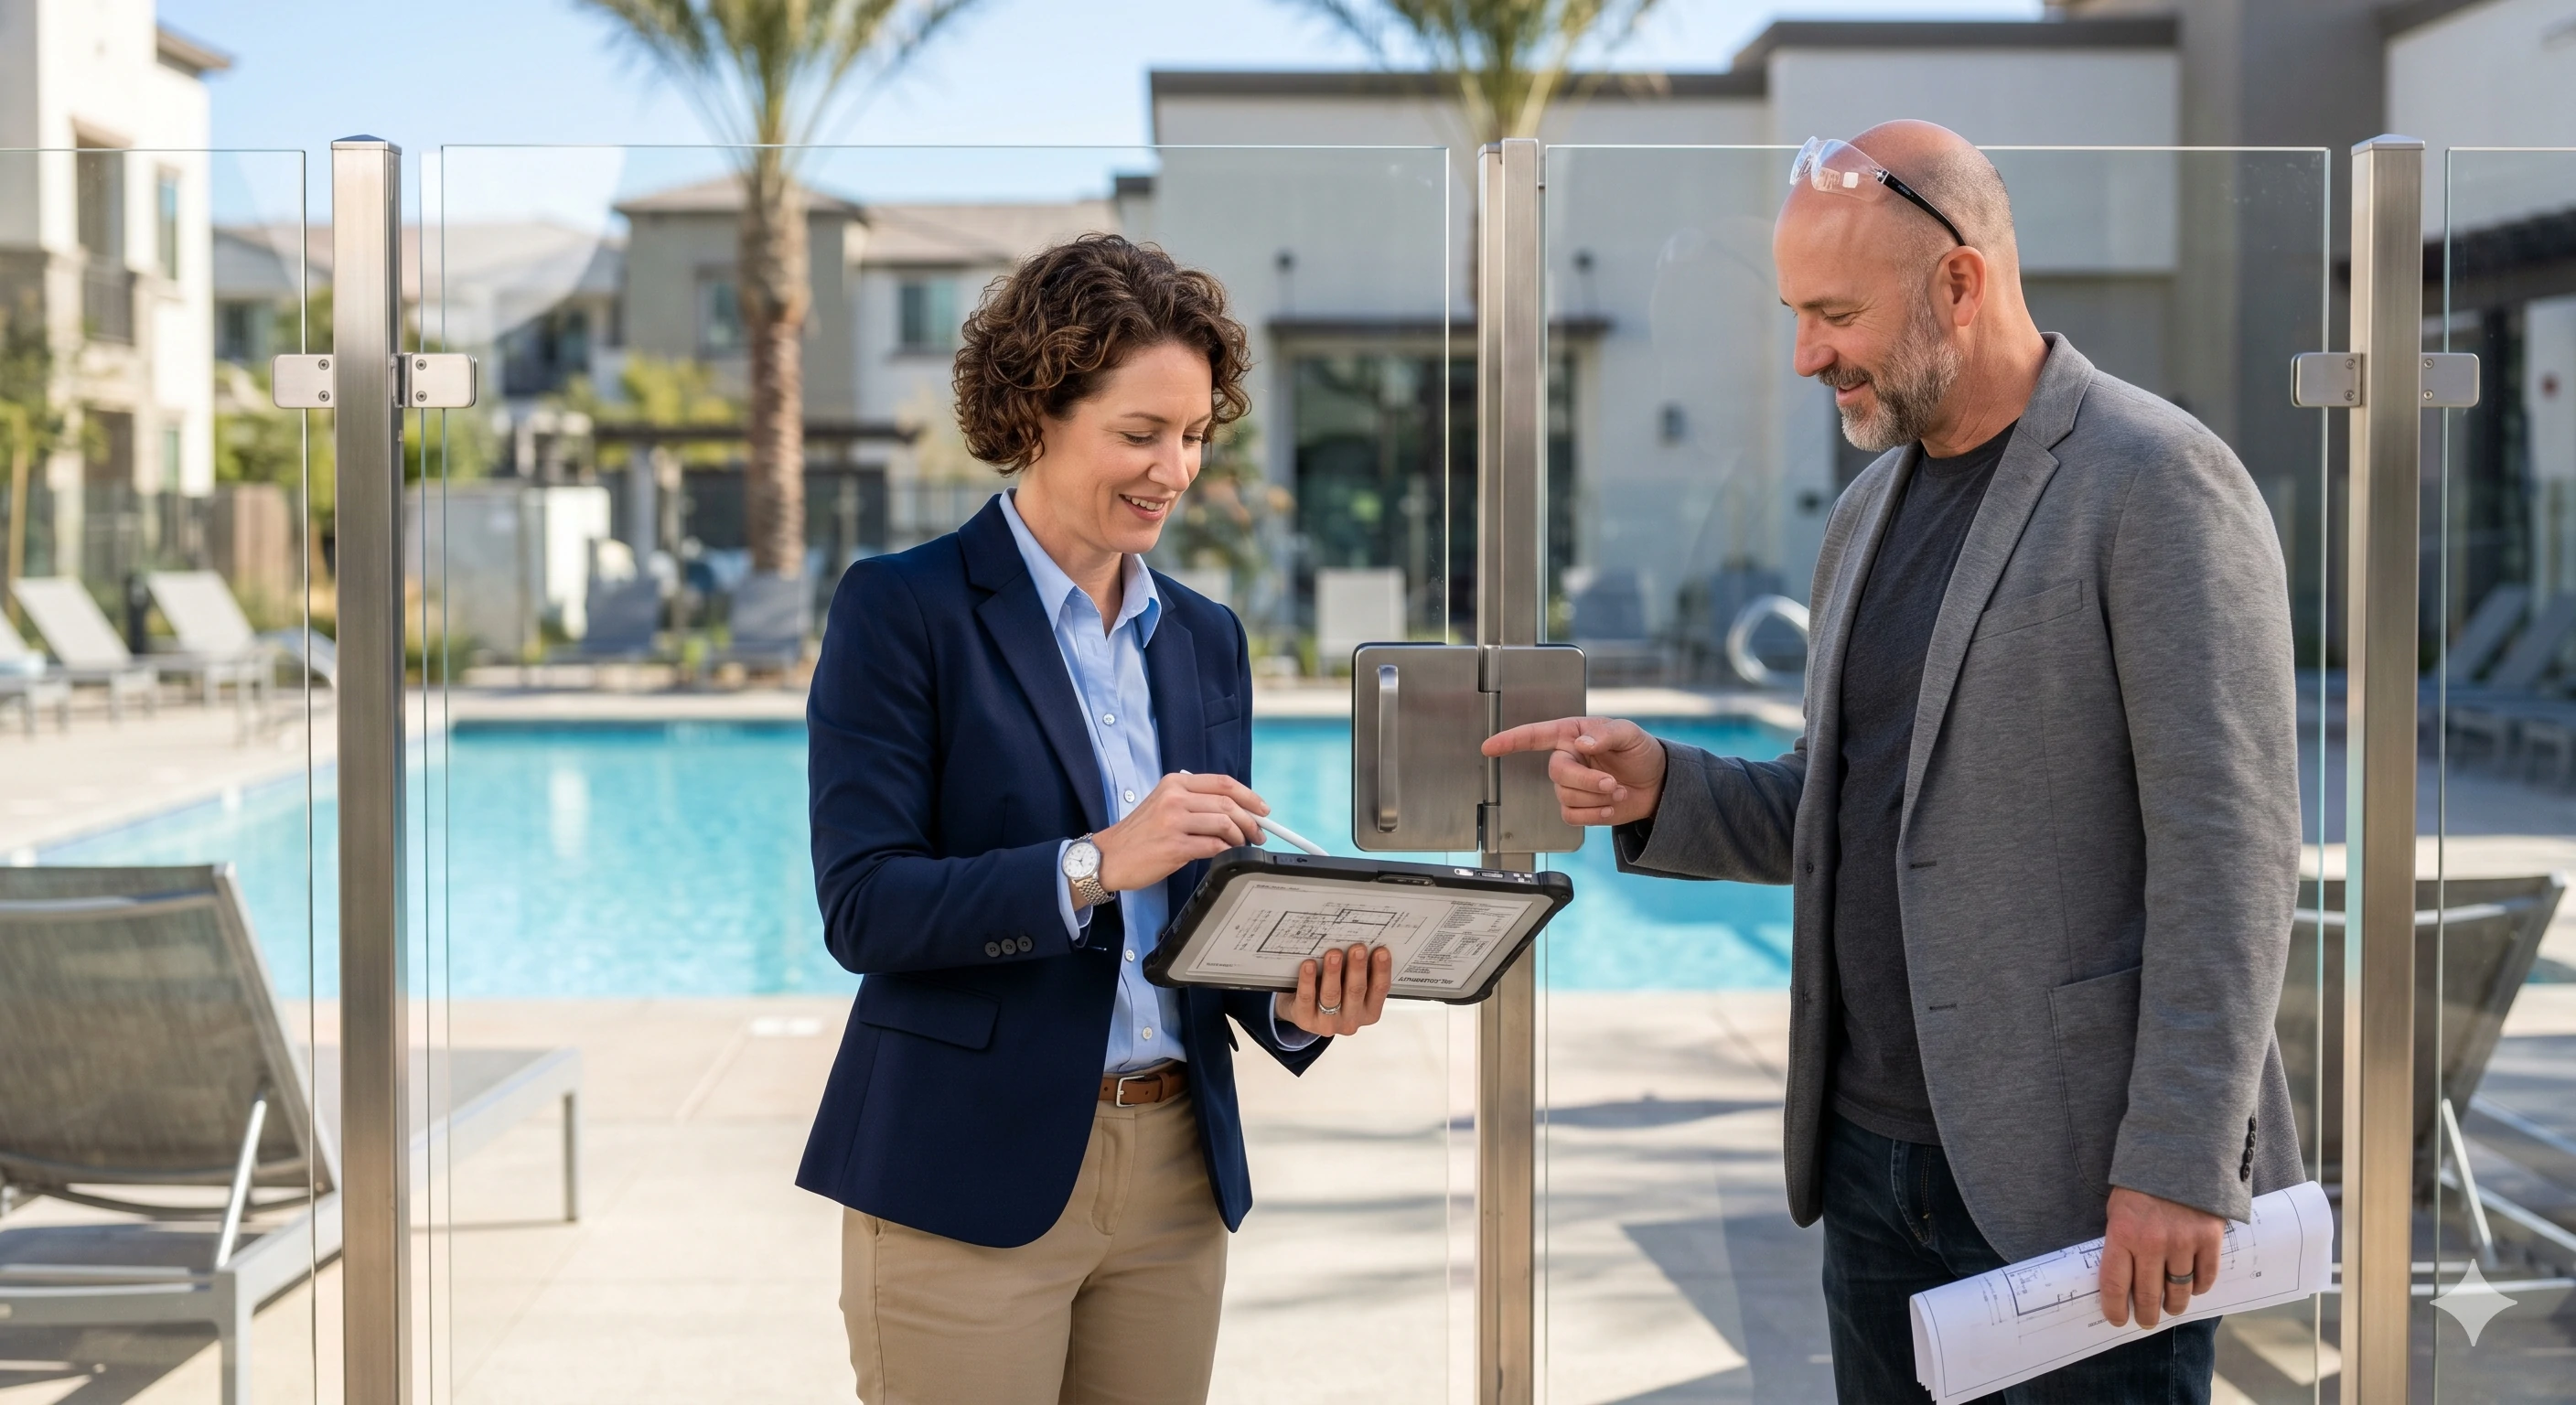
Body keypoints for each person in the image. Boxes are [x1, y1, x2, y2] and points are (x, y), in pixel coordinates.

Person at [1486, 121, 2303, 1404]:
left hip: (2086, 1192)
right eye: (1797, 314)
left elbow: (2233, 854)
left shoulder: (2158, 482)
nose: (1807, 353)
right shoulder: (1869, 508)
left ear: (1960, 285)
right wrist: (1665, 784)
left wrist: (2181, 1160)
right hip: (1871, 1175)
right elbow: (1858, 804)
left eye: (1834, 314)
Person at [800, 232, 1396, 1405]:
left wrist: (1291, 1000)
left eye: (1190, 436)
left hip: (1175, 1178)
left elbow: (1197, 913)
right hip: (964, 1178)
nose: (1172, 471)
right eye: (1138, 435)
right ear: (1032, 414)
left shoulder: (1206, 636)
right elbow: (864, 908)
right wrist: (1094, 862)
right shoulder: (902, 610)